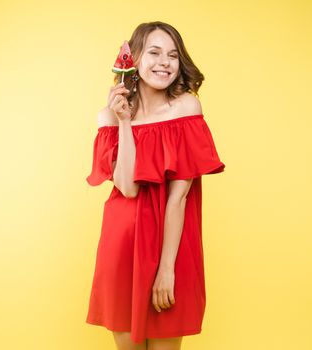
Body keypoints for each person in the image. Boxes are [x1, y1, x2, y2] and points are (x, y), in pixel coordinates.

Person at [85, 21, 226, 350]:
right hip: (121, 247)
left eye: (173, 55)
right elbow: (128, 188)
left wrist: (167, 271)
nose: (165, 62)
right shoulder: (109, 117)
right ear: (133, 58)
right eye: (155, 52)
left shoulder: (186, 108)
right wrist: (123, 122)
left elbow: (178, 200)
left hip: (171, 248)